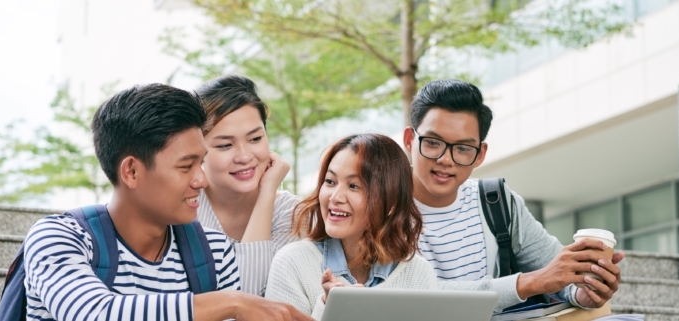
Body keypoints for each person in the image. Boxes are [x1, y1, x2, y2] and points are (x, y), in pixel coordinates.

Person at [22, 84, 311, 321]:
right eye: (186, 167)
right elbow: (92, 312)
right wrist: (230, 302)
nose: (200, 180)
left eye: (201, 163)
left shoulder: (213, 252)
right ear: (131, 171)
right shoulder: (59, 238)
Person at [402, 79, 624, 312]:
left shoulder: (495, 201)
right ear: (409, 140)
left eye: (463, 148)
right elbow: (411, 294)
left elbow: (556, 271)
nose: (445, 159)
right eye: (433, 143)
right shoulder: (378, 205)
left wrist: (585, 290)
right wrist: (529, 282)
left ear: (480, 155)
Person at [265, 134, 437, 319]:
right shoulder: (292, 263)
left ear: (392, 202)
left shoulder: (418, 273)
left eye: (354, 186)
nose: (335, 197)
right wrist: (330, 308)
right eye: (330, 182)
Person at [194, 75, 299, 296]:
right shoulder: (182, 210)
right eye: (225, 145)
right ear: (198, 151)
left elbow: (249, 297)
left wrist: (267, 193)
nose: (244, 156)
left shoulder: (292, 213)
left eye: (255, 139)